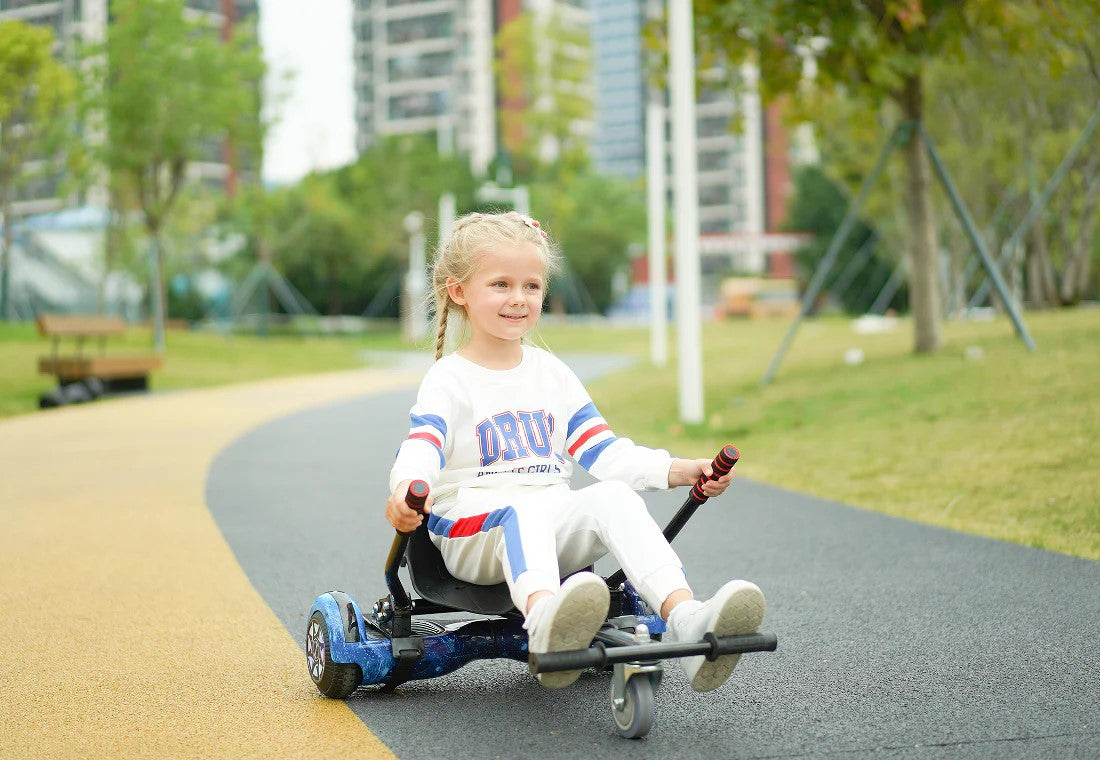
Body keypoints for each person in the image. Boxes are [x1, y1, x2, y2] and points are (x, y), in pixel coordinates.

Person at [385, 211, 765, 691]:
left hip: (547, 517)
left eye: (531, 286)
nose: (518, 299)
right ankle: (547, 623)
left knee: (615, 497)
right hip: (468, 534)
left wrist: (679, 469)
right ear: (459, 292)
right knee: (520, 512)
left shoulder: (551, 373)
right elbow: (421, 446)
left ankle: (687, 618)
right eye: (500, 284)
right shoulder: (450, 378)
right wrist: (404, 490)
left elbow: (606, 453)